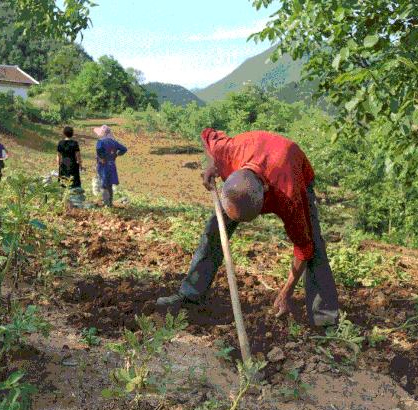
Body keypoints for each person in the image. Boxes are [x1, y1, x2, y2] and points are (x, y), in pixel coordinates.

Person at [157, 128, 340, 327]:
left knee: (313, 245)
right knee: (215, 231)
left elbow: (303, 249)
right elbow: (206, 135)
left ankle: (325, 319)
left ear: (266, 198)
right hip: (250, 166)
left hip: (294, 170)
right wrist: (211, 164)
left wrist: (286, 293)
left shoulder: (288, 196)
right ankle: (190, 296)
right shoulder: (227, 153)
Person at [93, 125, 127, 207]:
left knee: (104, 185)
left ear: (102, 133)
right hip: (111, 165)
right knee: (110, 184)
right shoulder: (114, 142)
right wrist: (117, 154)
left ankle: (106, 203)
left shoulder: (100, 142)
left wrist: (101, 158)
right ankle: (110, 202)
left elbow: (99, 150)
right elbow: (124, 149)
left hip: (103, 166)